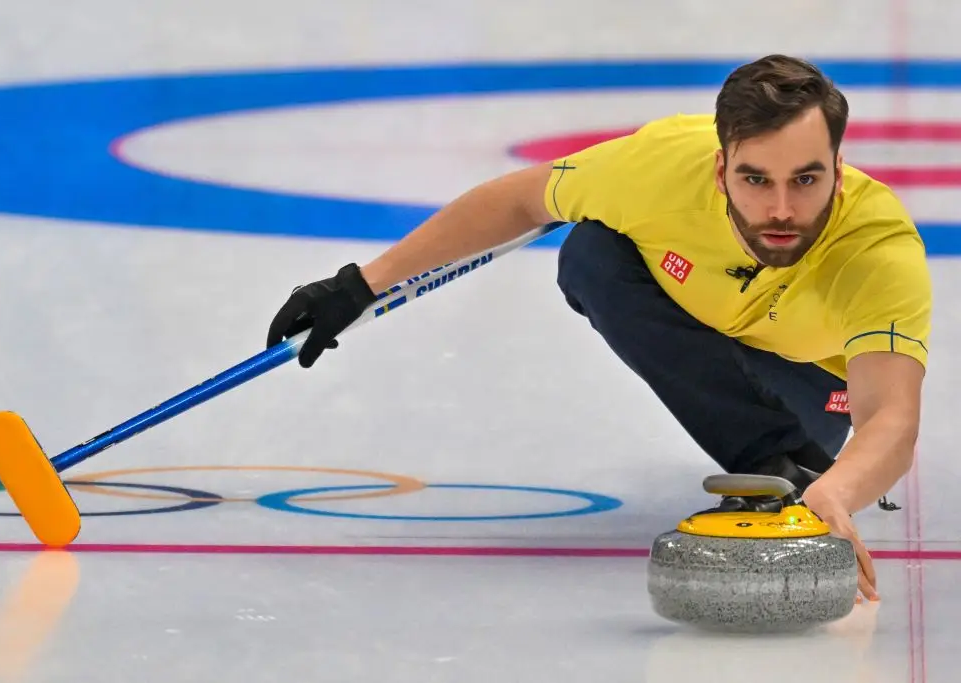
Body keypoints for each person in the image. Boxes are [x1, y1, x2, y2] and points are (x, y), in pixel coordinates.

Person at [264, 54, 931, 603]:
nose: (780, 209)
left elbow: (891, 418)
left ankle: (796, 463)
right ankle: (768, 459)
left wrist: (838, 489)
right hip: (706, 325)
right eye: (755, 179)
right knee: (592, 251)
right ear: (719, 169)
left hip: (809, 391)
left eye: (806, 179)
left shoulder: (876, 244)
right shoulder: (659, 169)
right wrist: (361, 285)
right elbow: (519, 200)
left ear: (838, 171)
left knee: (827, 445)